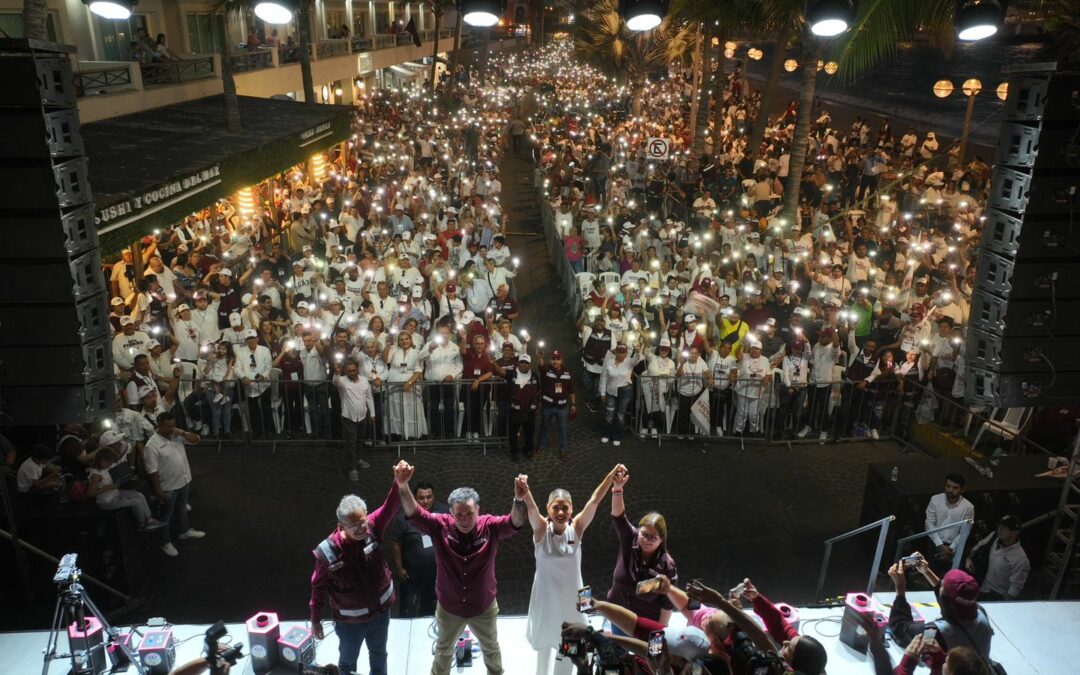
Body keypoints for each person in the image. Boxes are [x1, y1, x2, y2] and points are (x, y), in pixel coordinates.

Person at [399, 473, 529, 675]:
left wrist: (519, 500)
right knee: (443, 652)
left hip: (483, 606)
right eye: (459, 515)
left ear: (478, 509)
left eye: (469, 513)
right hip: (450, 607)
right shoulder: (439, 526)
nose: (465, 520)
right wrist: (403, 485)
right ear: (450, 512)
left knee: (492, 650)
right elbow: (413, 513)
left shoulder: (490, 527)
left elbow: (515, 522)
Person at [309, 460, 413, 675]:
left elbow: (390, 507)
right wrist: (315, 621)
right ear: (341, 526)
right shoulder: (327, 552)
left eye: (363, 522)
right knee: (347, 663)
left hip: (380, 614)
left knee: (379, 653)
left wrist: (399, 483)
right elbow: (317, 590)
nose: (361, 529)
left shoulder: (372, 527)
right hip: (349, 624)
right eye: (354, 525)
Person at [521, 465, 624, 675]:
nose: (560, 512)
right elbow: (530, 508)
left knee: (571, 647)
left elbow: (594, 500)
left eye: (565, 508)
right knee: (544, 647)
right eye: (556, 507)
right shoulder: (541, 530)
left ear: (571, 509)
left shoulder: (576, 528)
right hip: (545, 598)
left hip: (573, 600)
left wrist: (610, 478)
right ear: (548, 509)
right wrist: (525, 489)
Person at [887, 555, 994, 662]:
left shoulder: (933, 632)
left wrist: (900, 588)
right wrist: (926, 571)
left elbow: (900, 628)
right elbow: (950, 600)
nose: (941, 584)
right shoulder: (981, 613)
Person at [607, 467, 677, 627]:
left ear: (662, 540)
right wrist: (617, 491)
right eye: (643, 534)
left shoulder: (667, 564)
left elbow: (667, 603)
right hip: (617, 618)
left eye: (653, 537)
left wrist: (659, 632)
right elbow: (619, 517)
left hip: (643, 626)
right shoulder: (630, 538)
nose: (646, 539)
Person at [143, 412, 204, 557]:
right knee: (166, 516)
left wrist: (182, 432)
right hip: (168, 486)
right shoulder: (151, 446)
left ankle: (184, 531)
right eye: (168, 426)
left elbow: (196, 440)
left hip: (183, 481)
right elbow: (152, 471)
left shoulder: (177, 435)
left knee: (182, 509)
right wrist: (158, 490)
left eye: (173, 425)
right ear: (159, 426)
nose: (172, 429)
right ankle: (165, 542)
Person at [385, 481, 448, 618]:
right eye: (421, 497)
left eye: (429, 497)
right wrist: (399, 567)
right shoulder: (403, 518)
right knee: (408, 608)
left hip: (436, 573)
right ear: (414, 498)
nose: (425, 501)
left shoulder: (444, 512)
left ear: (434, 496)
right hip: (412, 575)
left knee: (430, 606)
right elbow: (395, 542)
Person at [86, 441, 165, 532]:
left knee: (139, 495)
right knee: (136, 502)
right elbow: (90, 493)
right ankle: (142, 524)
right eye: (110, 462)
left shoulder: (106, 466)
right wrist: (106, 488)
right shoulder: (96, 475)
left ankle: (149, 520)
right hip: (106, 502)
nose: (111, 464)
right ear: (103, 460)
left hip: (115, 494)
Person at [964, 515, 1029, 600]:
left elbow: (1016, 586)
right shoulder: (994, 536)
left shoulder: (1020, 558)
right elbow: (979, 545)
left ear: (1015, 533)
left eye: (1006, 528)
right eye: (1000, 525)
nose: (1000, 529)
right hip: (981, 585)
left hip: (997, 595)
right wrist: (968, 558)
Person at [333, 359, 376, 481]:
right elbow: (335, 382)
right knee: (351, 443)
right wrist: (336, 372)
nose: (352, 373)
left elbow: (369, 397)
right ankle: (352, 468)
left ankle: (358, 459)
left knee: (360, 440)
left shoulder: (364, 380)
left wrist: (372, 414)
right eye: (349, 371)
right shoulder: (342, 381)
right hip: (348, 417)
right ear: (345, 371)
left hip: (363, 416)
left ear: (357, 369)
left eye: (354, 370)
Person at [925, 472, 975, 573]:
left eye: (955, 488)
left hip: (954, 547)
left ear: (962, 489)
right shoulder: (935, 499)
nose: (950, 490)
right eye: (948, 486)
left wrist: (951, 549)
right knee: (932, 574)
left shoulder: (968, 507)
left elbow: (964, 532)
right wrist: (939, 545)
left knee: (949, 578)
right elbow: (929, 523)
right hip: (935, 543)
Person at [536, 348, 575, 461]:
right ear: (550, 360)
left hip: (562, 407)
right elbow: (540, 366)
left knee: (562, 428)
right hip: (547, 405)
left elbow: (572, 390)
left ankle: (563, 450)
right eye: (553, 359)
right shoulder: (546, 371)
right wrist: (539, 357)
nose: (555, 361)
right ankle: (541, 446)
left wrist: (573, 404)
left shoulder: (567, 373)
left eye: (558, 359)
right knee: (544, 426)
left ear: (561, 360)